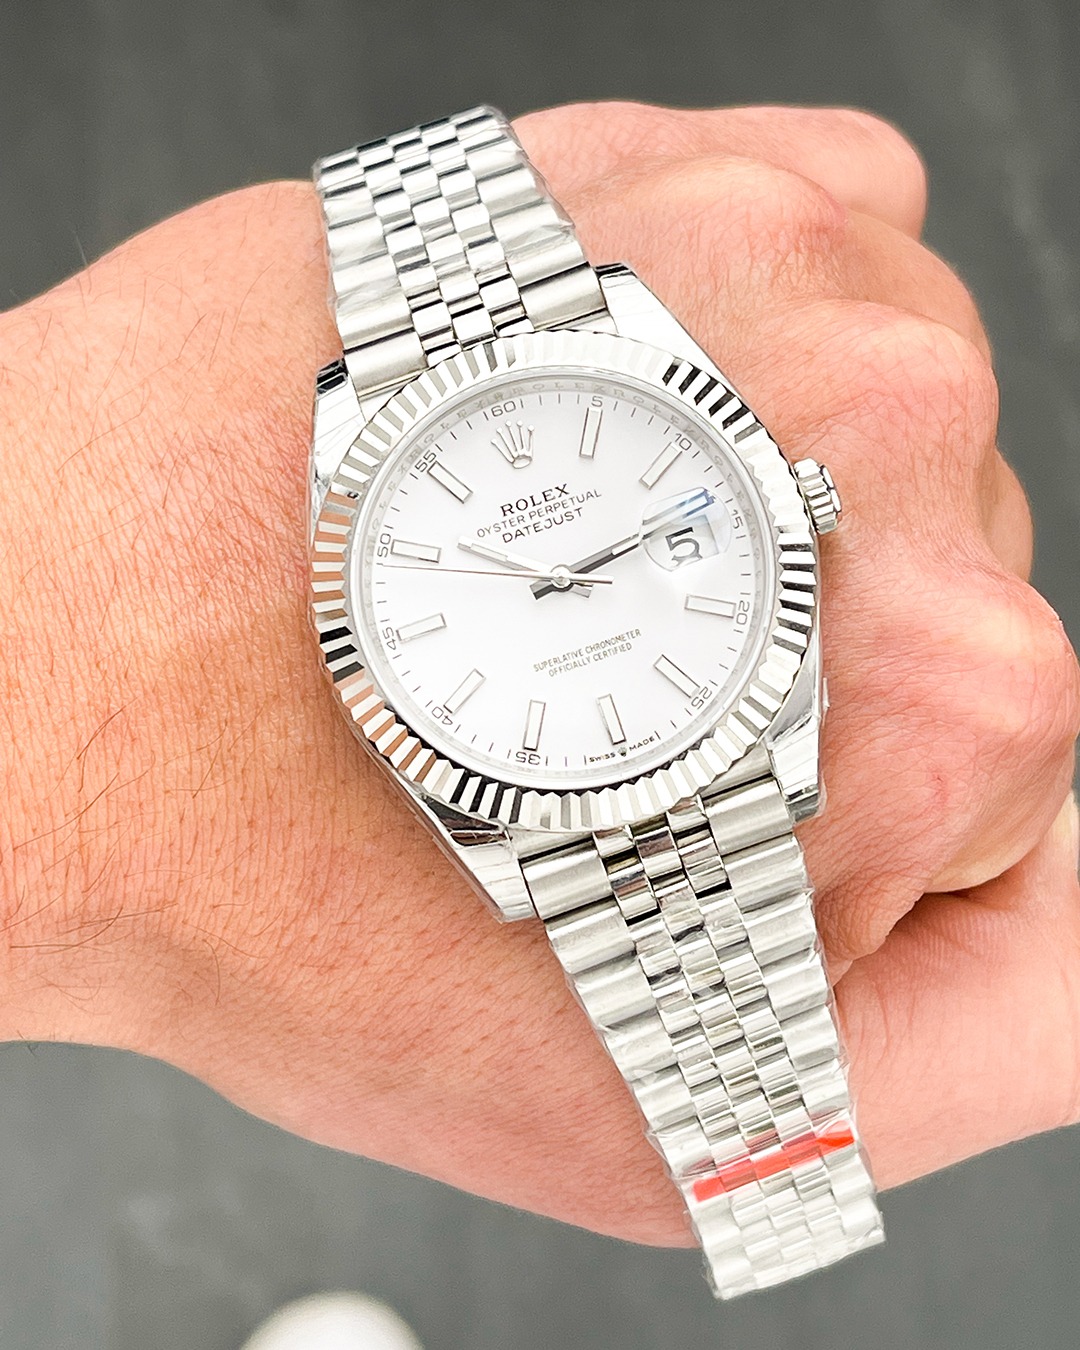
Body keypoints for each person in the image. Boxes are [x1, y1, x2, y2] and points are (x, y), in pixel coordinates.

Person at [1, 100, 1077, 1301]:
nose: (563, 578)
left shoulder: (725, 480)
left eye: (574, 568)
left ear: (794, 496)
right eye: (547, 579)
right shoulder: (374, 615)